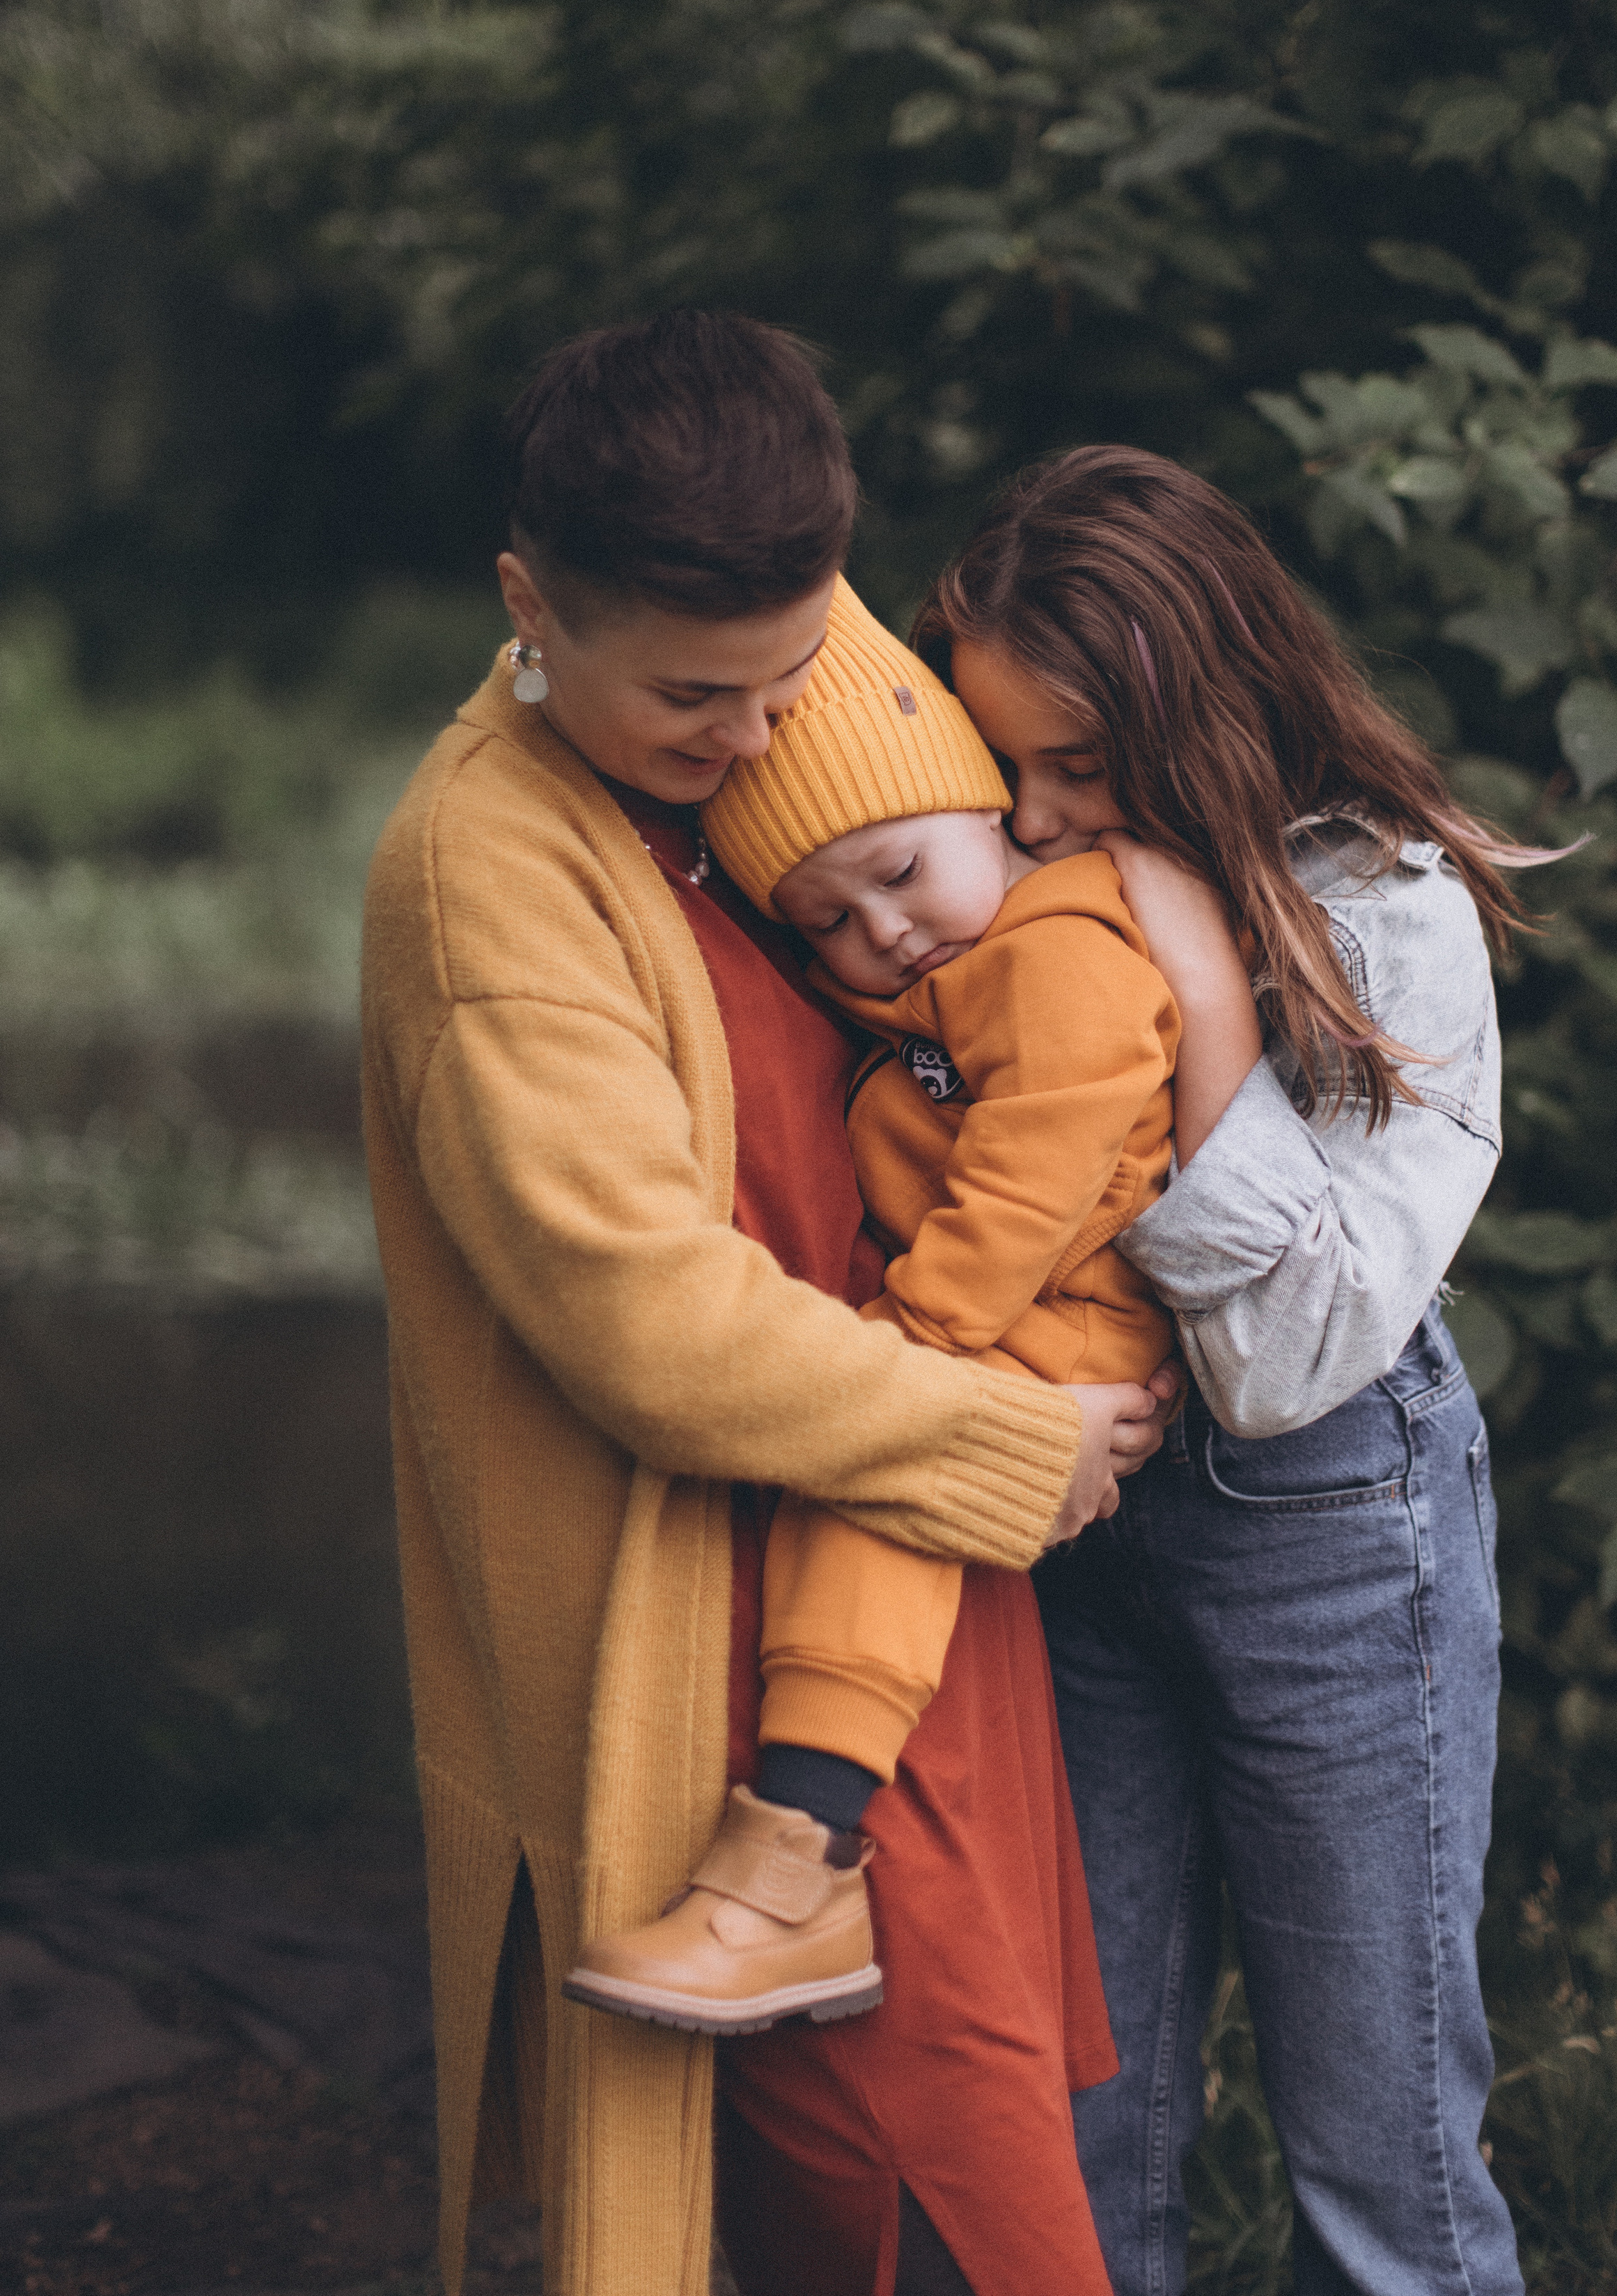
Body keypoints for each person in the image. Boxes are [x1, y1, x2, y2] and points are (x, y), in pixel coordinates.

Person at [359, 318, 1168, 2296]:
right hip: (718, 1609)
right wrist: (1004, 1436)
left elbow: (1070, 867)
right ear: (528, 609)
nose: (762, 740)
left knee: (942, 2159)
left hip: (884, 1544)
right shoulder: (489, 873)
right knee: (890, 2174)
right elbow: (644, 1319)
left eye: (799, 674)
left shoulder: (792, 673)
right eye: (699, 701)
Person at [919, 442, 1542, 2296]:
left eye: (1080, 772)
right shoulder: (1023, 901)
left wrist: (1196, 1005)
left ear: (1211, 717)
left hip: (1334, 1539)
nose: (1033, 821)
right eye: (1003, 765)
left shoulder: (1392, 920)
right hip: (1080, 1526)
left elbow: (1288, 1360)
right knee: (1080, 2114)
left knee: (1377, 2143)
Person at [564, 583, 1179, 2036]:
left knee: (878, 1504)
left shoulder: (1061, 947)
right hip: (991, 1315)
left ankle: (794, 1863)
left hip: (1052, 1312)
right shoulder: (928, 1001)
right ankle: (796, 1860)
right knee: (860, 1506)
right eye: (827, 921)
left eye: (902, 872)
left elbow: (1041, 1161)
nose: (884, 932)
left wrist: (921, 1351)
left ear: (993, 818)